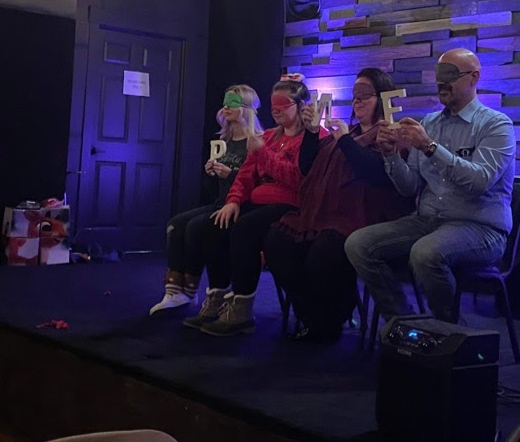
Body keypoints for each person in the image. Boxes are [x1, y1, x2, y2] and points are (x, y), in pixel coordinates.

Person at [345, 48, 516, 324]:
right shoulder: (430, 123)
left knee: (425, 253)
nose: (440, 83)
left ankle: (448, 330)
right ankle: (404, 324)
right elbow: (408, 187)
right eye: (438, 76)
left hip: (480, 227)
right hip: (428, 221)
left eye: (449, 75)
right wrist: (389, 155)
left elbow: (479, 181)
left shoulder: (496, 125)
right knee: (358, 244)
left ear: (473, 78)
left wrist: (429, 147)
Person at [264, 68, 411, 342]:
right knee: (278, 243)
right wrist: (310, 133)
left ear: (382, 97)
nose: (358, 102)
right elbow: (308, 167)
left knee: (324, 253)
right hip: (326, 213)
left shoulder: (392, 134)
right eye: (355, 97)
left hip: (366, 215)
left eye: (365, 96)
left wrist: (343, 140)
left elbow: (374, 174)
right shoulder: (350, 132)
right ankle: (312, 316)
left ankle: (330, 321)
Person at [185, 78, 310, 337]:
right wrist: (232, 201)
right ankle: (217, 297)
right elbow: (245, 174)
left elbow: (297, 179)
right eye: (273, 104)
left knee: (244, 228)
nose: (275, 109)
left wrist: (265, 154)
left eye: (282, 104)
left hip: (289, 204)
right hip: (258, 201)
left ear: (299, 106)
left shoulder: (308, 140)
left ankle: (242, 308)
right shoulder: (266, 137)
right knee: (213, 223)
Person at [149, 85, 263, 315]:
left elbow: (257, 185)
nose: (225, 107)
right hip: (220, 202)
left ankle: (190, 291)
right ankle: (175, 289)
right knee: (175, 224)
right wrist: (211, 173)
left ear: (245, 108)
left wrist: (229, 174)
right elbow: (215, 190)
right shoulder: (224, 141)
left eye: (232, 103)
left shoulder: (257, 142)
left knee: (195, 227)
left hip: (242, 207)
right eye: (225, 102)